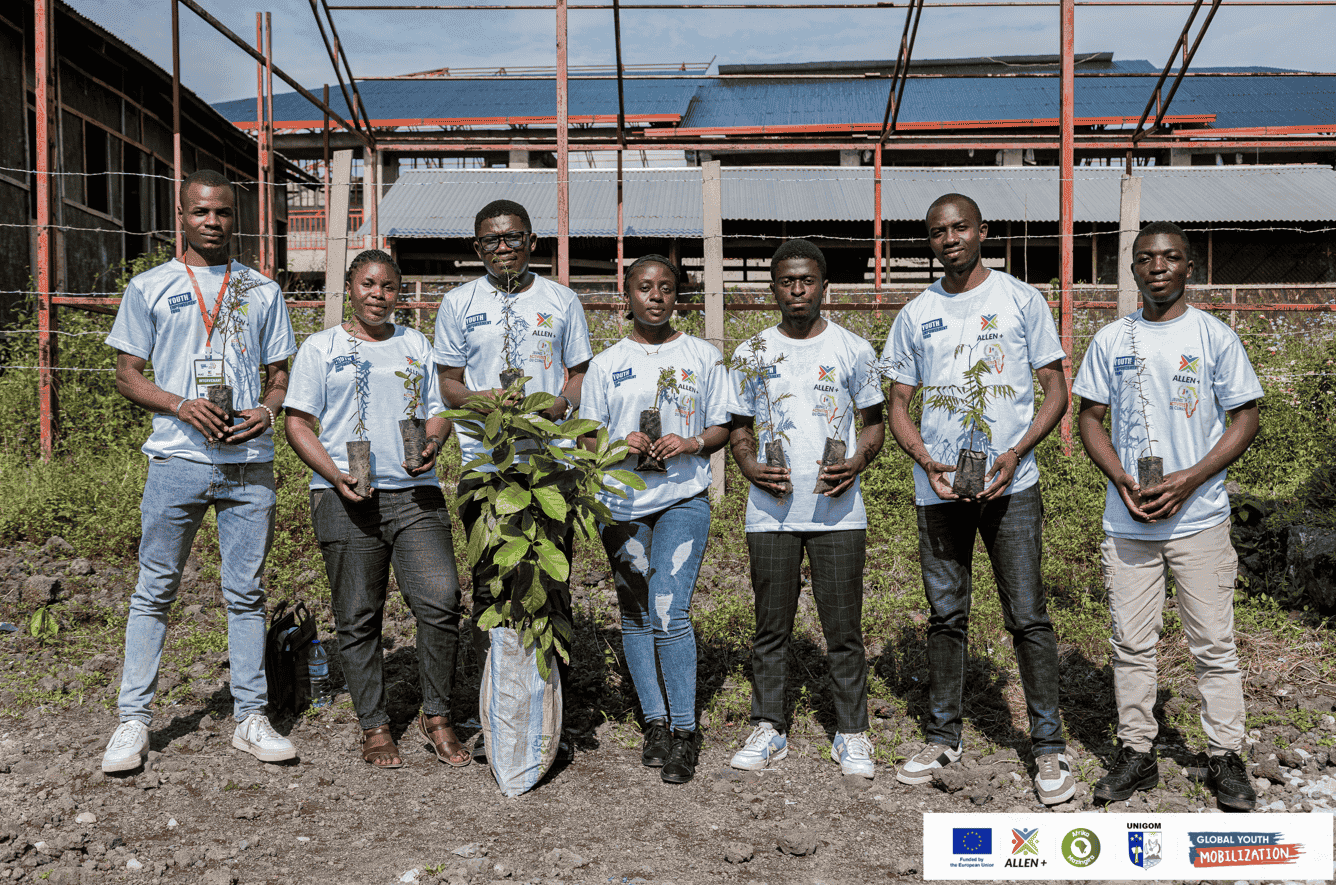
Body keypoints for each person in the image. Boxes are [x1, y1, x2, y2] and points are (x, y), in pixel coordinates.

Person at [101, 169, 297, 772]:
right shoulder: (150, 286)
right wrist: (181, 404)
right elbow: (128, 373)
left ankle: (250, 718)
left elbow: (280, 375)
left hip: (247, 464)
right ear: (180, 217)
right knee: (155, 589)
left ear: (237, 219)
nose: (213, 222)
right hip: (177, 461)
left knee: (246, 593)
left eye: (224, 213)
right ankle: (133, 721)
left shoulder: (261, 290)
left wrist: (267, 411)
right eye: (201, 212)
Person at [883, 193, 1074, 805]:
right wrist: (929, 463)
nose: (950, 238)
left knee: (1028, 615)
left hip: (1011, 487)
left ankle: (1049, 748)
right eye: (937, 231)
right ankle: (943, 736)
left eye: (960, 227)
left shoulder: (1022, 300)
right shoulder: (916, 313)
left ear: (981, 231)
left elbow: (1055, 392)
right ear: (929, 241)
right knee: (946, 615)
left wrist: (1015, 453)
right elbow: (897, 407)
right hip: (939, 491)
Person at [1074, 221, 1261, 811]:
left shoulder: (1213, 337)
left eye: (1171, 257)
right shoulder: (1111, 339)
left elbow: (1246, 419)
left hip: (1199, 518)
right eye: (1146, 258)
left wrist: (1190, 479)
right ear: (1131, 270)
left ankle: (1226, 757)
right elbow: (1090, 418)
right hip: (1129, 520)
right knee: (1131, 642)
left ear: (1189, 267)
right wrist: (1122, 479)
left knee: (1214, 643)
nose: (1158, 267)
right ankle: (1136, 753)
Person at [284, 250, 468, 769]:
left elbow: (437, 412)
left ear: (399, 293)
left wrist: (432, 444)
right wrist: (333, 475)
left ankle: (437, 715)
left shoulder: (415, 344)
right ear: (349, 286)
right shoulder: (321, 348)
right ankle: (375, 724)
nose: (378, 295)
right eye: (368, 284)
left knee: (440, 598)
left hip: (415, 495)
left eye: (389, 287)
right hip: (347, 497)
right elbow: (298, 422)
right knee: (359, 614)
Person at [433, 200, 591, 759]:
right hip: (488, 468)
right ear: (478, 249)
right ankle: (498, 711)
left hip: (550, 465)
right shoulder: (458, 303)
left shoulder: (561, 300)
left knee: (551, 579)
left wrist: (557, 405)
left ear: (532, 242)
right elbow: (448, 384)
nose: (504, 248)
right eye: (492, 241)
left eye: (514, 238)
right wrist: (482, 401)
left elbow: (577, 375)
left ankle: (553, 716)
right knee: (491, 584)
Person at [726, 239, 885, 779]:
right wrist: (748, 467)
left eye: (807, 280)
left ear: (823, 286)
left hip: (837, 513)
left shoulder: (854, 350)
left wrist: (858, 461)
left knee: (843, 629)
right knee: (771, 626)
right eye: (787, 281)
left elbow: (873, 423)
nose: (797, 290)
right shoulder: (750, 353)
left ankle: (851, 733)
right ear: (773, 288)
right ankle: (769, 727)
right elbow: (739, 427)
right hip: (770, 514)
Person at [579, 255, 730, 784]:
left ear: (677, 296)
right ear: (628, 296)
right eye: (645, 287)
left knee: (669, 608)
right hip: (621, 505)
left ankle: (686, 731)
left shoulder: (702, 357)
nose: (656, 296)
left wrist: (691, 442)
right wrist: (620, 444)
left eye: (666, 287)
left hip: (681, 499)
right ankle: (655, 723)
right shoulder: (606, 363)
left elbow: (720, 427)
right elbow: (587, 436)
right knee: (637, 612)